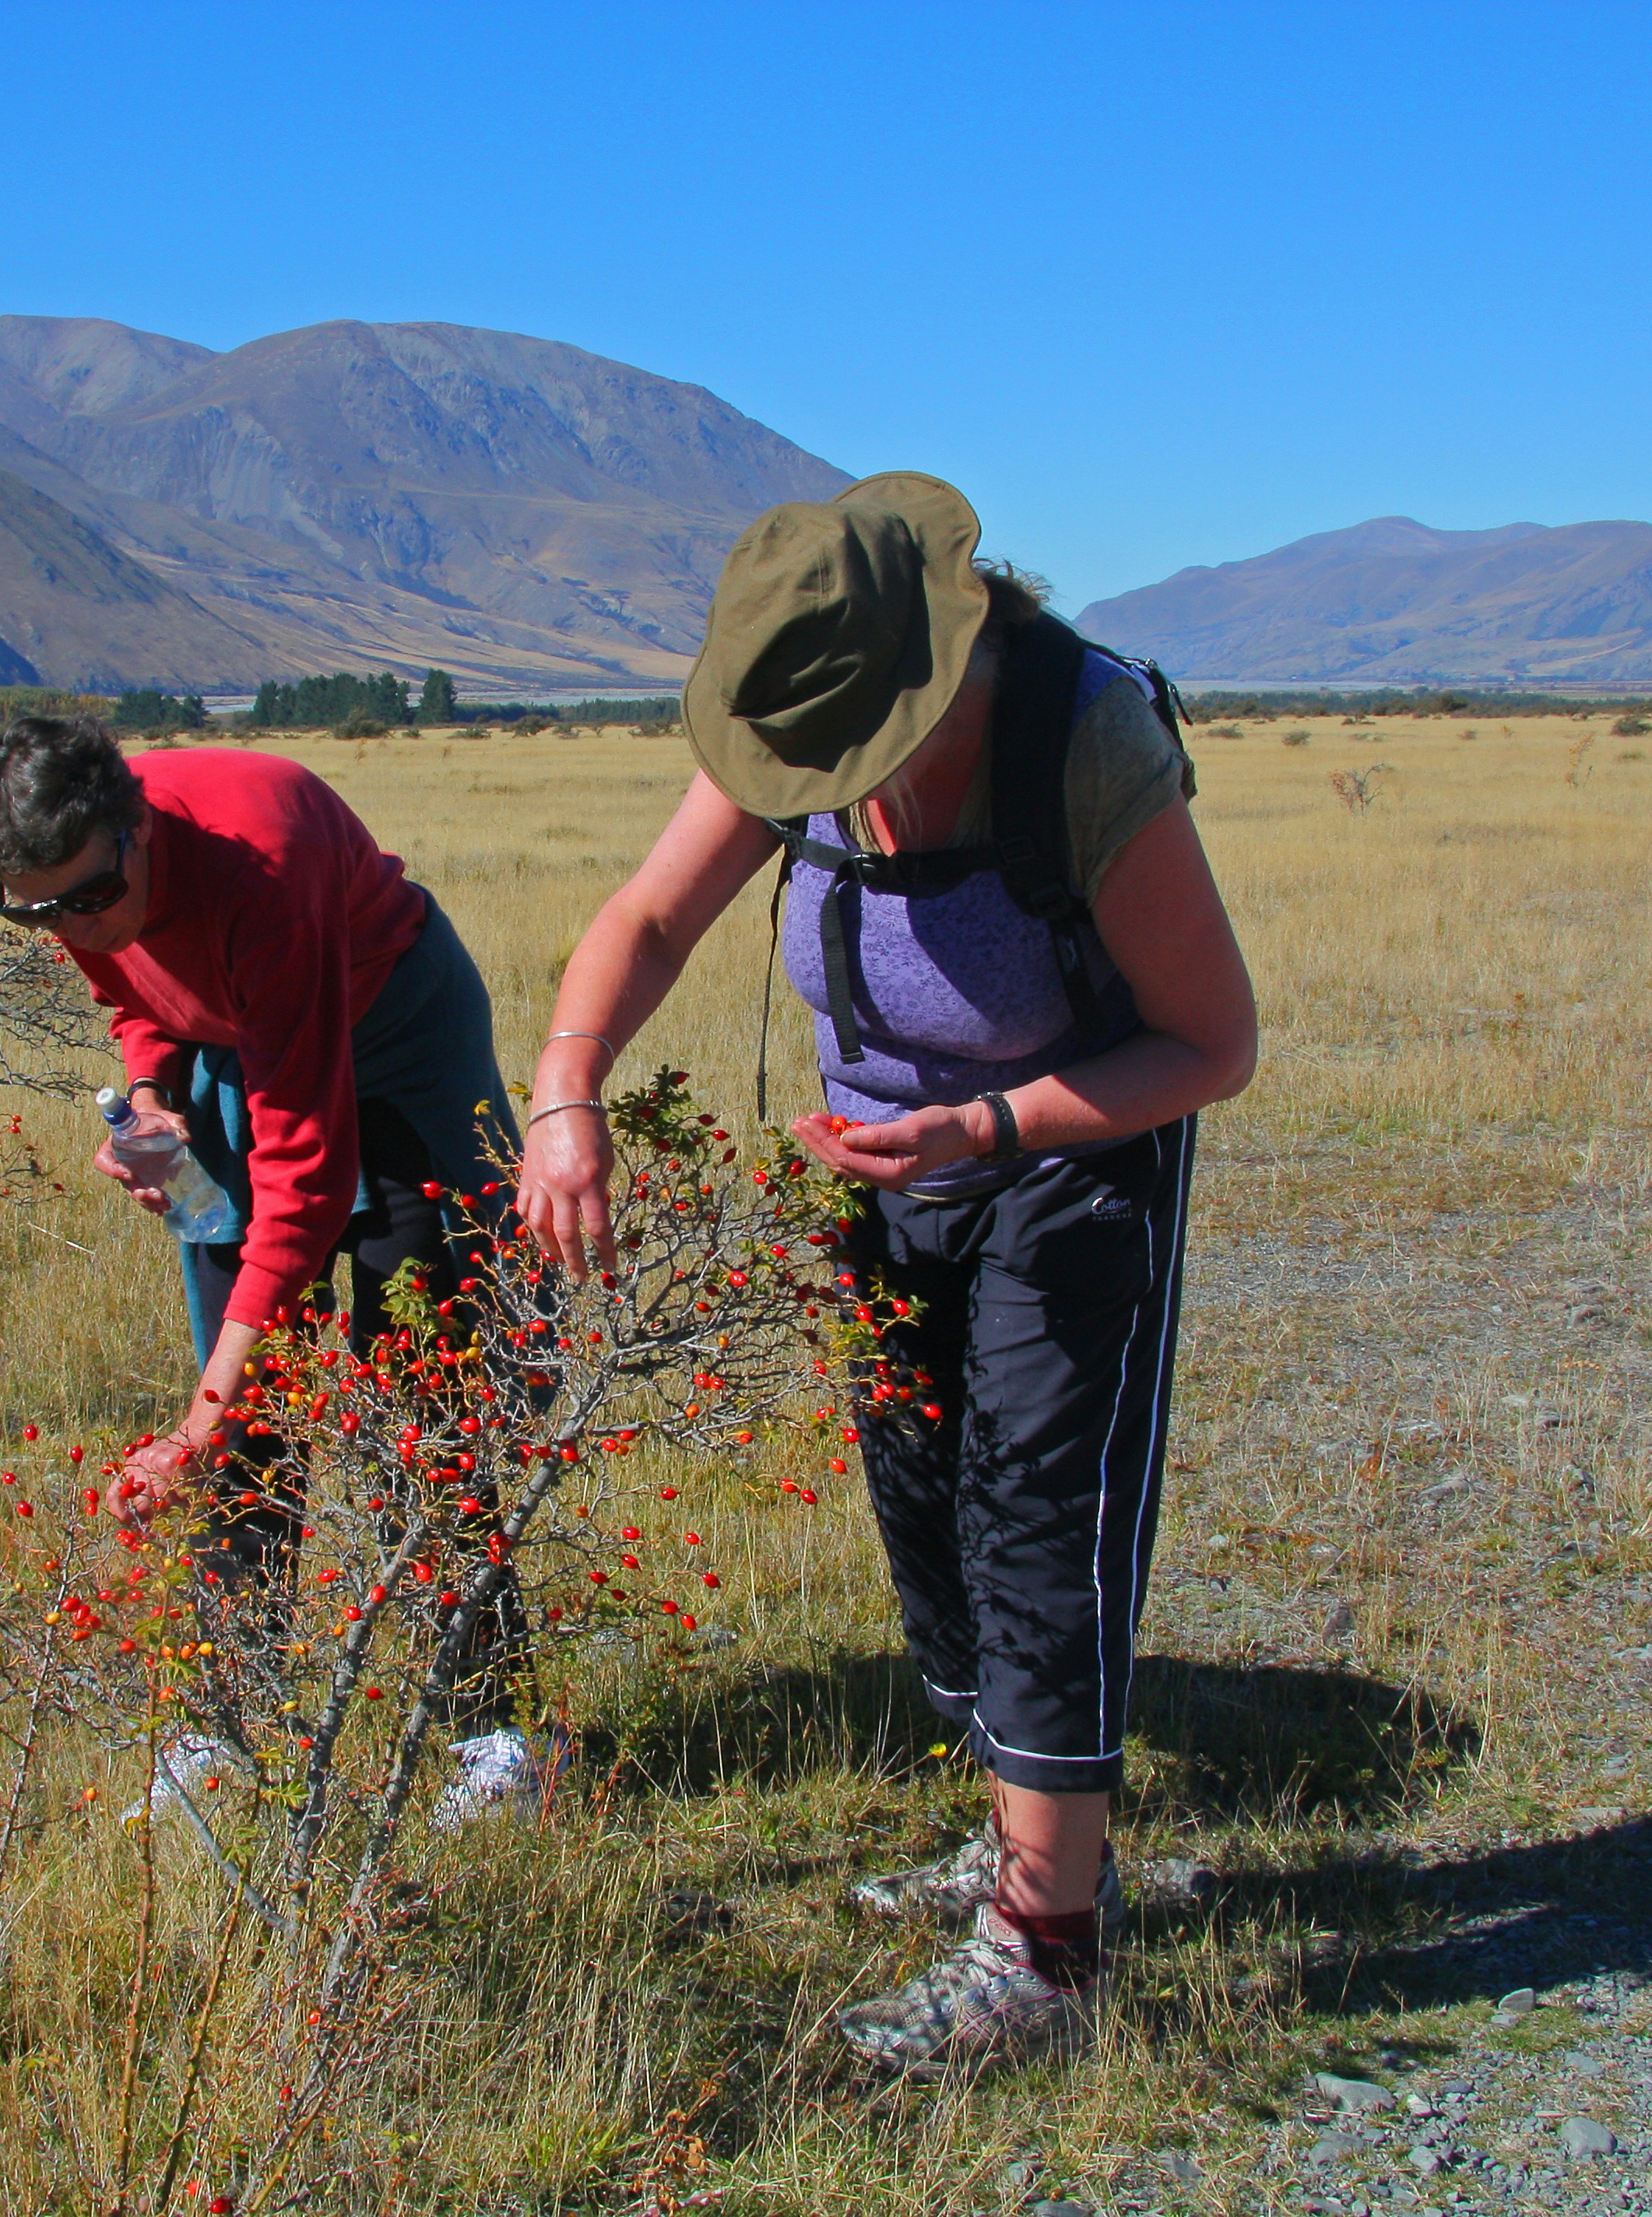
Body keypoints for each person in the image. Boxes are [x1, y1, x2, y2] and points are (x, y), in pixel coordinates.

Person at [515, 473, 1258, 2071]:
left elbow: (1213, 1042)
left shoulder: (1084, 741)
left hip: (1070, 1143)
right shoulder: (802, 732)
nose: (833, 790)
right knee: (923, 1493)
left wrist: (987, 1121)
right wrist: (569, 1091)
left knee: (1038, 1505)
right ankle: (1020, 1832)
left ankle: (1050, 1950)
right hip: (885, 1169)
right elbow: (646, 917)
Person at [0, 714, 543, 1817]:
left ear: (134, 830)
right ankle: (229, 1728)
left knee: (418, 1389)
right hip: (248, 1050)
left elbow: (305, 1186)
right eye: (34, 909)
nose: (67, 926)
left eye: (84, 898)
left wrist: (193, 1422)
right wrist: (149, 1103)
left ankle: (494, 1732)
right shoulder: (83, 883)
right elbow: (134, 992)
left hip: (394, 1047)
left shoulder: (256, 866)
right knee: (246, 1417)